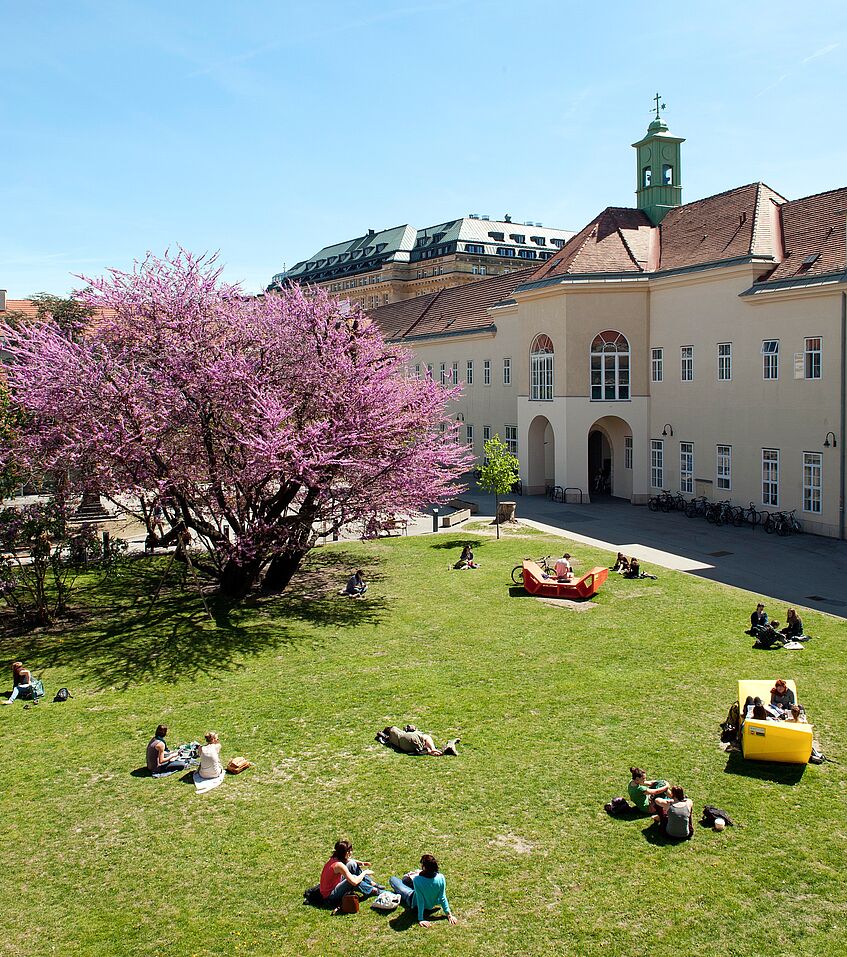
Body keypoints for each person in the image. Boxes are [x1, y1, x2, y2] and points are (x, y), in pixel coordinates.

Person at [389, 854, 458, 929]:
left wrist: (421, 918)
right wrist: (449, 914)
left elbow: (420, 900)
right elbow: (442, 897)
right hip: (431, 902)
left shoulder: (417, 880)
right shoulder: (441, 877)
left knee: (393, 879)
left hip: (412, 899)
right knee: (406, 880)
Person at [319, 840, 379, 908]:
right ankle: (372, 890)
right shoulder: (338, 865)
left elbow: (350, 861)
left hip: (334, 885)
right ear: (345, 853)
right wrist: (365, 872)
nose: (351, 852)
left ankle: (371, 883)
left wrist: (361, 863)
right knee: (352, 879)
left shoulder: (334, 858)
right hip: (330, 896)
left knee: (352, 864)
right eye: (349, 851)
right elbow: (354, 882)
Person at [377, 726, 459, 757]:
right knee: (426, 737)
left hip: (405, 747)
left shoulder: (390, 739)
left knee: (421, 744)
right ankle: (434, 748)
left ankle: (430, 751)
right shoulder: (394, 729)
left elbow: (382, 737)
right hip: (409, 738)